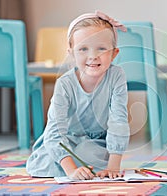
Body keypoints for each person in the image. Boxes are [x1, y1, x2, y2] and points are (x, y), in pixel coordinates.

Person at [26, 10, 130, 180]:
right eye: (83, 49)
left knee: (89, 153)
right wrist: (71, 170)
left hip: (95, 143)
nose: (93, 56)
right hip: (66, 140)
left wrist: (113, 166)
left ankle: (88, 165)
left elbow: (118, 120)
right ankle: (75, 166)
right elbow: (54, 130)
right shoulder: (65, 83)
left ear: (114, 53)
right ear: (72, 53)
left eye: (101, 48)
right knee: (44, 161)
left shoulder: (116, 76)